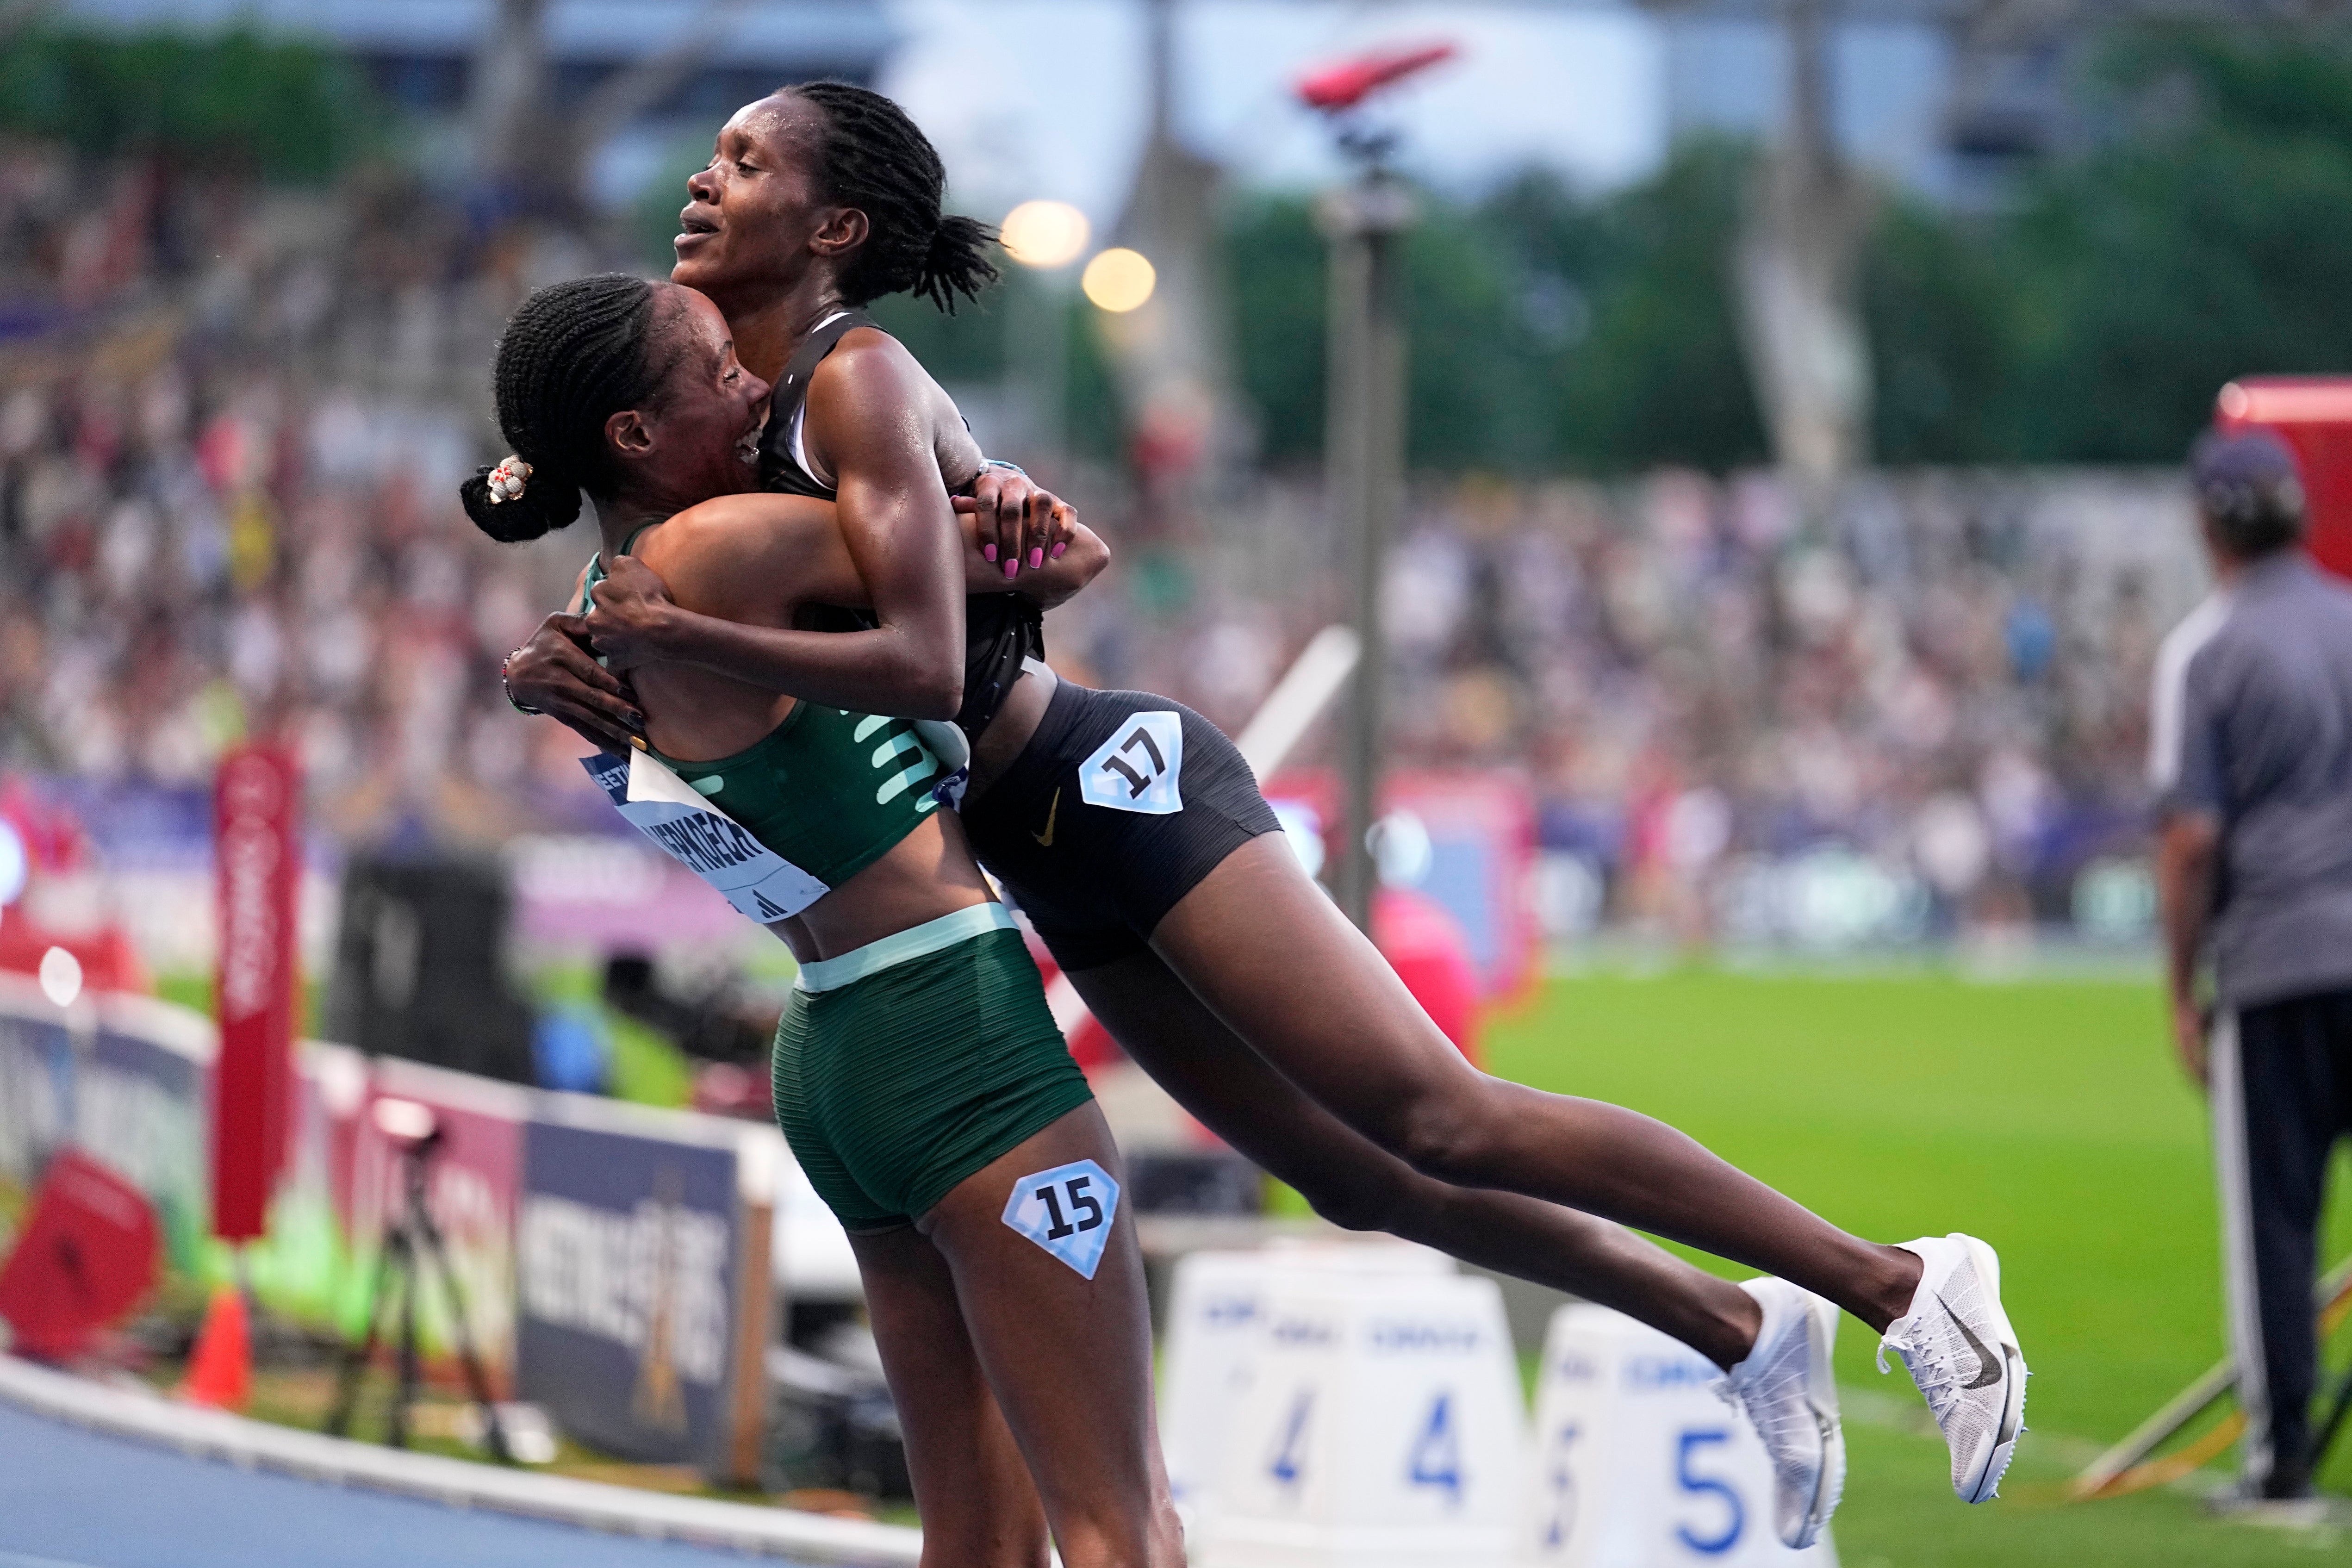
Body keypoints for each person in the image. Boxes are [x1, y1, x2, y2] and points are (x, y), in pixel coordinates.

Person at [504, 81, 2030, 1543]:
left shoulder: (852, 378)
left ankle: (1903, 1283)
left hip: (1111, 784)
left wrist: (688, 629)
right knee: (1362, 1179)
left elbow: (921, 651)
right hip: (1039, 853)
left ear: (833, 226)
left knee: (1439, 1108)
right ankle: (1741, 1326)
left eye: (745, 161)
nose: (705, 183)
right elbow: (589, 472)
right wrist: (558, 638)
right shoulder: (738, 413)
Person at [469, 272, 1183, 1568]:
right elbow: (1065, 558)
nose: (756, 380)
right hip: (955, 1036)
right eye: (716, 366)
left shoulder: (601, 600)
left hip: (837, 1056)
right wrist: (997, 483)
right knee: (1120, 1522)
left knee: (973, 1536)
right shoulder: (724, 549)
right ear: (633, 434)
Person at [2151, 427, 2352, 1507]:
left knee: (2280, 1220)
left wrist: (2180, 986)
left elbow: (2192, 837)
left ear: (2206, 525)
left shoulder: (2209, 647)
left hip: (2277, 962)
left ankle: (2283, 1462)